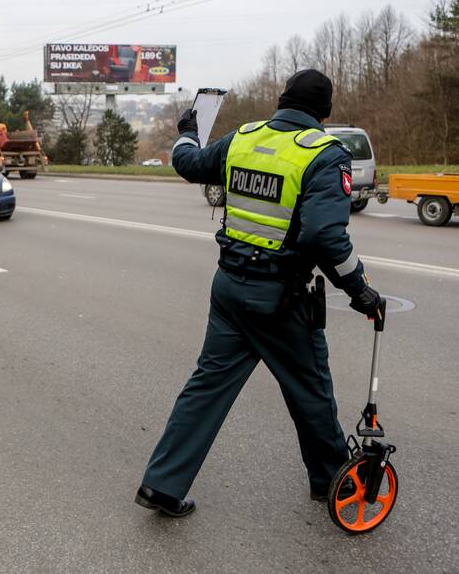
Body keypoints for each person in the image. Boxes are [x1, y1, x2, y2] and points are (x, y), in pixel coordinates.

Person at [135, 69, 383, 517]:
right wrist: (360, 289)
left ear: (281, 100)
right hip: (281, 299)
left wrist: (188, 134)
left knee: (206, 388)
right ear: (324, 113)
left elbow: (189, 164)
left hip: (228, 289)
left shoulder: (243, 138)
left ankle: (161, 485)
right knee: (310, 390)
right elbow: (325, 237)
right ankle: (332, 481)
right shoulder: (325, 155)